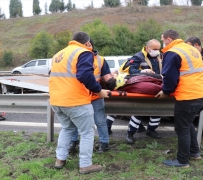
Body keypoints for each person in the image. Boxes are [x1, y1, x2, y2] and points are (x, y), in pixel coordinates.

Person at [49, 31, 109, 174]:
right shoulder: (83, 52)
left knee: (67, 129)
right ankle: (85, 165)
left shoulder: (59, 54)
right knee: (87, 132)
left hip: (57, 100)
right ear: (87, 43)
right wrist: (98, 91)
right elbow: (84, 75)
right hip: (76, 101)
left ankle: (60, 159)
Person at [156, 29, 203, 168]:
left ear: (169, 39)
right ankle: (195, 153)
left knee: (181, 128)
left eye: (163, 41)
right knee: (187, 124)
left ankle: (182, 161)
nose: (163, 44)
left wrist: (166, 92)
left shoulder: (173, 52)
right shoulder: (190, 49)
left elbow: (170, 77)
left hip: (189, 97)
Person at [68, 39, 116, 154]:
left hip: (95, 96)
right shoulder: (74, 57)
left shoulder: (100, 60)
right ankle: (73, 142)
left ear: (90, 45)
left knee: (100, 121)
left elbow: (106, 77)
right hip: (79, 96)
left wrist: (112, 80)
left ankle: (104, 142)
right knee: (75, 122)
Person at [121, 39, 163, 144]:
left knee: (158, 111)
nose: (157, 51)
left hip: (157, 85)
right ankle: (130, 133)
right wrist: (142, 71)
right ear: (147, 48)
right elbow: (131, 71)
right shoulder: (138, 57)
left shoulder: (159, 57)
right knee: (139, 111)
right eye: (154, 49)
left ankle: (151, 130)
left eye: (158, 49)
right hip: (143, 87)